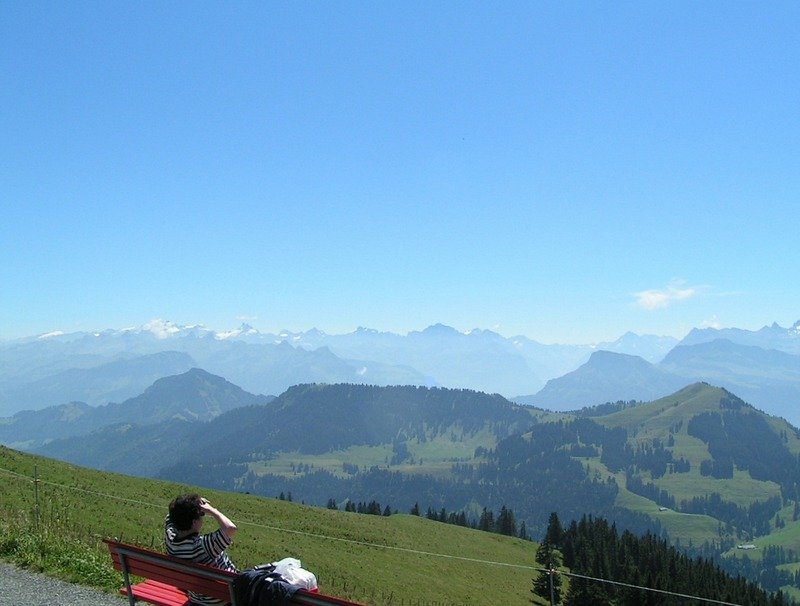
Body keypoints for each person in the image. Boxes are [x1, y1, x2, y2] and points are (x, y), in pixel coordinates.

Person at [165, 494, 238, 606]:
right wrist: (212, 510)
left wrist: (191, 505)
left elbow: (171, 516)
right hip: (223, 599)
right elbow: (230, 528)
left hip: (196, 599)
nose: (202, 518)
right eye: (201, 515)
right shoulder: (201, 547)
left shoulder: (170, 539)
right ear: (194, 522)